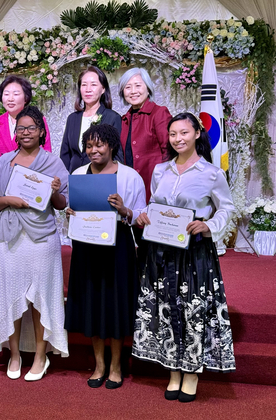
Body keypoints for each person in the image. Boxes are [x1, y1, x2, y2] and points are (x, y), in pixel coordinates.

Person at [132, 113, 236, 402]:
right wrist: (144, 216)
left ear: (197, 134)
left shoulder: (212, 173)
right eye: (173, 134)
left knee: (192, 311)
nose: (178, 139)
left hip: (194, 253)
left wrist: (209, 225)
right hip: (161, 252)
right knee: (167, 308)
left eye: (184, 133)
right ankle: (173, 371)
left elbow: (226, 208)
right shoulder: (160, 170)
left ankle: (191, 371)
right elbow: (154, 205)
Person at [0, 105, 69, 381]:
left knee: (41, 297)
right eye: (20, 128)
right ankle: (15, 354)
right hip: (10, 237)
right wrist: (10, 200)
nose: (25, 132)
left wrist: (55, 192)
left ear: (41, 131)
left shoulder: (53, 163)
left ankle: (41, 355)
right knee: (11, 295)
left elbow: (61, 205)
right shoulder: (5, 161)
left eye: (30, 128)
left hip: (42, 237)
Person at [64, 124, 146, 389]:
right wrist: (70, 212)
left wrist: (125, 209)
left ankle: (115, 365)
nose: (93, 150)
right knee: (92, 304)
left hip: (117, 245)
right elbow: (73, 206)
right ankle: (99, 364)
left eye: (99, 145)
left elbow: (141, 216)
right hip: (86, 245)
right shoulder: (78, 173)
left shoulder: (130, 176)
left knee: (115, 304)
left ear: (111, 145)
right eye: (89, 146)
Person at [117, 67, 171, 201]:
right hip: (129, 187)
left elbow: (169, 151)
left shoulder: (159, 113)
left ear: (148, 88)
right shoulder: (124, 119)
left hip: (154, 185)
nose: (133, 91)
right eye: (128, 87)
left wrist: (163, 183)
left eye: (138, 85)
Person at [60, 66, 122, 173]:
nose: (88, 89)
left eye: (93, 84)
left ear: (103, 89)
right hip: (75, 178)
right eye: (84, 85)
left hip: (101, 178)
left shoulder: (113, 117)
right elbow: (65, 155)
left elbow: (118, 156)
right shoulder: (72, 118)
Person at [0, 75, 52, 166]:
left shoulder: (38, 120)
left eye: (16, 94)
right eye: (6, 94)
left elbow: (46, 152)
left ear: (26, 98)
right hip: (3, 176)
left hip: (31, 175)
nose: (10, 99)